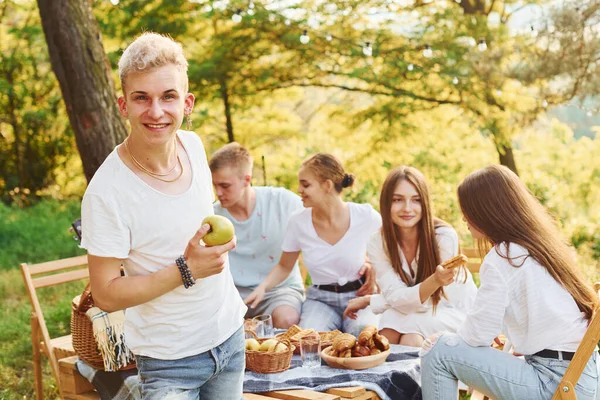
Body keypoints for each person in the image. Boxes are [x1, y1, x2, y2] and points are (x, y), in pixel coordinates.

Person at [80, 33, 246, 399]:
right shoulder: (106, 193)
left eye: (168, 96)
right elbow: (105, 294)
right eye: (142, 98)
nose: (156, 112)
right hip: (170, 364)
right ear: (123, 105)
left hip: (230, 338)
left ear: (187, 103)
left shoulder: (195, 146)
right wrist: (186, 270)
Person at [420, 165, 599, 399]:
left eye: (467, 208)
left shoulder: (504, 256)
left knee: (437, 349)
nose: (464, 216)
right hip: (585, 378)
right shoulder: (541, 247)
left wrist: (454, 335)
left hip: (554, 382)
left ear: (487, 210)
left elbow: (476, 335)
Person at [245, 153, 380, 337]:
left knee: (362, 334)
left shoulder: (365, 216)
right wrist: (263, 288)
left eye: (305, 184)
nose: (299, 189)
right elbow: (284, 266)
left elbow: (393, 250)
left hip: (359, 297)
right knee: (309, 341)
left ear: (327, 185)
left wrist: (374, 267)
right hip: (321, 300)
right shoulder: (298, 222)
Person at [343, 166, 477, 347]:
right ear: (386, 203)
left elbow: (432, 300)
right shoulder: (378, 242)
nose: (407, 208)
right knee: (389, 331)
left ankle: (406, 375)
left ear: (425, 204)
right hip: (411, 311)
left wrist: (372, 301)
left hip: (453, 311)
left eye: (416, 200)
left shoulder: (443, 237)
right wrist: (382, 301)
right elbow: (397, 296)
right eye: (398, 200)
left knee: (407, 336)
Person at [209, 142, 304, 329]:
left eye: (225, 186)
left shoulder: (283, 202)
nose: (218, 193)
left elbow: (323, 226)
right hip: (232, 297)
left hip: (279, 290)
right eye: (215, 186)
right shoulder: (212, 216)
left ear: (246, 179)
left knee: (287, 320)